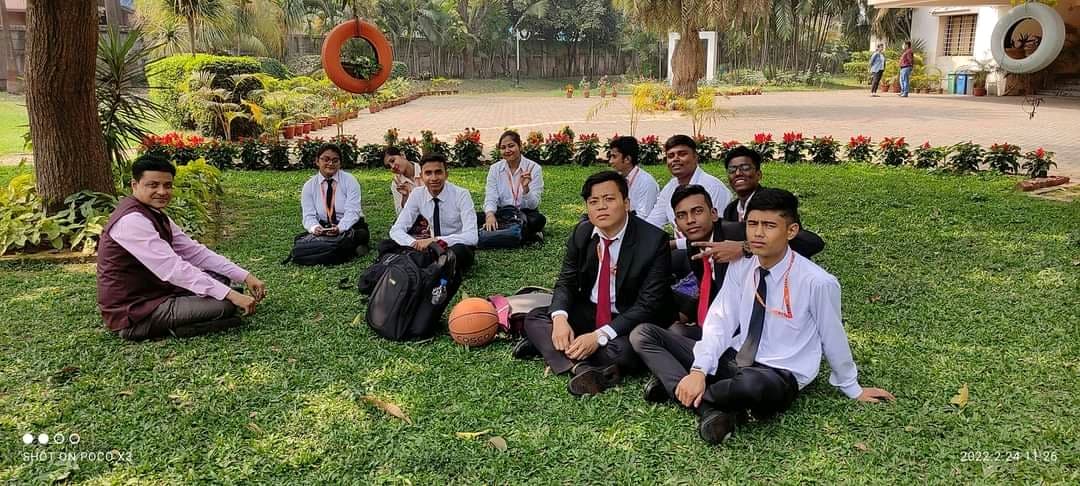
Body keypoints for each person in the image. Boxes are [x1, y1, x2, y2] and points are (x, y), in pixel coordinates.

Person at [631, 188, 895, 444]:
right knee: (644, 334)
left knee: (751, 386)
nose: (758, 233)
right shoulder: (741, 266)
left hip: (777, 373)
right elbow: (721, 319)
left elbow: (832, 334)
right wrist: (699, 370)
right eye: (752, 224)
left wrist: (852, 387)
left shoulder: (817, 282)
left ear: (791, 231)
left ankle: (676, 386)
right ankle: (705, 405)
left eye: (769, 226)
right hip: (733, 358)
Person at [516, 171, 673, 396]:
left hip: (628, 318)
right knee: (536, 318)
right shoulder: (582, 232)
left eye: (609, 199)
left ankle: (551, 350)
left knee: (625, 352)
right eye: (594, 201)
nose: (601, 207)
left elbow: (648, 305)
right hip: (591, 310)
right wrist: (560, 320)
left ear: (626, 203)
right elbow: (567, 280)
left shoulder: (654, 241)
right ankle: (582, 368)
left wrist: (599, 336)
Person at [97, 153, 266, 341]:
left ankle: (192, 310)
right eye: (153, 185)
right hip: (136, 309)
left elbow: (194, 251)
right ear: (134, 185)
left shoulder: (153, 212)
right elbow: (173, 268)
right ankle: (141, 329)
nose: (162, 191)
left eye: (167, 185)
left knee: (221, 279)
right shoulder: (131, 221)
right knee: (225, 305)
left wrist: (245, 276)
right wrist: (231, 296)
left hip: (157, 290)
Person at [386, 153, 477, 275]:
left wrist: (435, 240)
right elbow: (396, 229)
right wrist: (413, 243)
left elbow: (472, 237)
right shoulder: (417, 194)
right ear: (421, 176)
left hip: (452, 245)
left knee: (459, 251)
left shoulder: (461, 195)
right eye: (428, 173)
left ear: (446, 174)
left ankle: (420, 265)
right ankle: (429, 264)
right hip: (427, 248)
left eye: (438, 172)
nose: (434, 178)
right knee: (386, 245)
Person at [644, 134, 732, 250]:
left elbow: (715, 232)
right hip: (683, 251)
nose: (675, 159)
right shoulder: (670, 187)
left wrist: (673, 245)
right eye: (671, 156)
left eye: (682, 154)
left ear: (695, 157)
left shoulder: (712, 187)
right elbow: (652, 223)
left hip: (713, 251)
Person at [300, 143, 369, 256]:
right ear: (317, 161)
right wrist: (315, 228)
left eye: (335, 160)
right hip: (324, 227)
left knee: (361, 235)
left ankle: (332, 249)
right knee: (301, 238)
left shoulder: (350, 180)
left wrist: (340, 228)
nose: (330, 163)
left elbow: (353, 211)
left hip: (350, 226)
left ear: (340, 163)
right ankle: (346, 250)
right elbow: (308, 216)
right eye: (326, 159)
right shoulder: (309, 186)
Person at [481, 130, 545, 242]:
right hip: (502, 213)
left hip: (524, 213)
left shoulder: (534, 168)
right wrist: (490, 215)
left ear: (520, 146)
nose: (507, 150)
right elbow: (491, 196)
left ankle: (502, 232)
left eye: (511, 146)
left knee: (538, 220)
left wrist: (526, 189)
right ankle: (525, 235)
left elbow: (533, 205)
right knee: (476, 217)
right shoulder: (495, 169)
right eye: (503, 147)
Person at [607, 135, 659, 217]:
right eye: (610, 157)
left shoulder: (646, 182)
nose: (610, 161)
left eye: (614, 157)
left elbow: (643, 217)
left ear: (627, 159)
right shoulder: (616, 179)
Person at [384, 146, 421, 214]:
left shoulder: (426, 171)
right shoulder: (397, 184)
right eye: (389, 166)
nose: (392, 167)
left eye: (393, 161)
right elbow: (400, 214)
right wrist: (405, 197)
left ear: (402, 155)